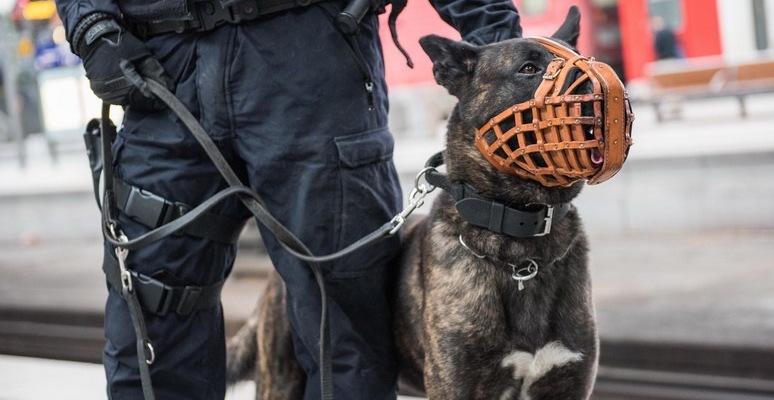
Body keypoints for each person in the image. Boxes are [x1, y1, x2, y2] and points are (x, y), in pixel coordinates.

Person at [55, 0, 521, 399]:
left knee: (344, 327)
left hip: (311, 61)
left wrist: (501, 47)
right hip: (161, 71)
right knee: (152, 317)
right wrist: (92, 25)